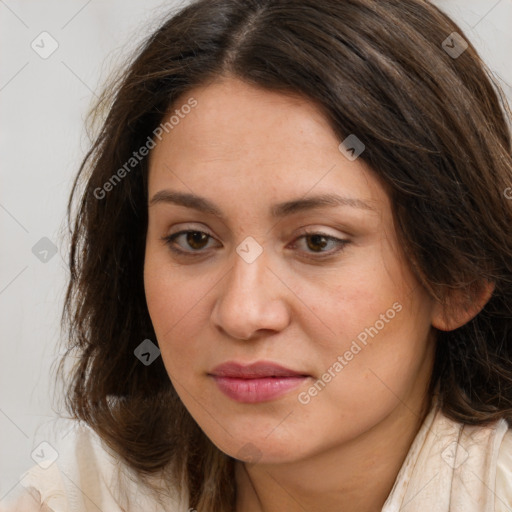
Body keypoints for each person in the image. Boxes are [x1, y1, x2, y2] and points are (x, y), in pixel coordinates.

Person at [2, 0, 512, 510]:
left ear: (458, 277)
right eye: (194, 239)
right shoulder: (81, 494)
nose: (243, 314)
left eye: (317, 241)